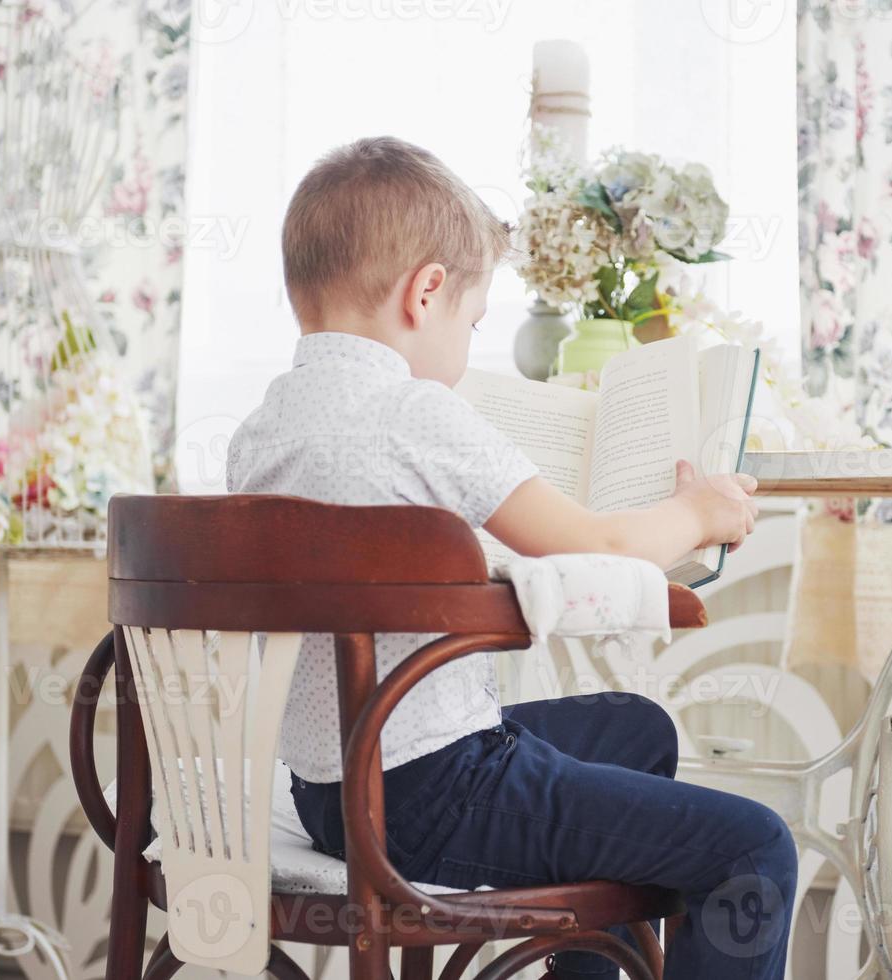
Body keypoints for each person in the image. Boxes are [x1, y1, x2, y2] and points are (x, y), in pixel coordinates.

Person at [227, 136, 795, 979]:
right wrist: (697, 510)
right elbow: (600, 545)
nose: (467, 346)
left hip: (332, 795)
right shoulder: (414, 413)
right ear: (425, 293)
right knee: (752, 848)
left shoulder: (258, 435)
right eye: (473, 320)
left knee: (632, 730)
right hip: (435, 794)